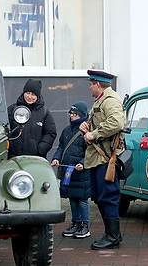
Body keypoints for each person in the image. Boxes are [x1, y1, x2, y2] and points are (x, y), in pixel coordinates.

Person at [79, 70, 125, 250]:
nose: (89, 87)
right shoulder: (101, 100)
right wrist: (87, 126)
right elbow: (103, 121)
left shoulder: (110, 100)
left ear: (97, 84)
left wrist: (94, 134)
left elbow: (117, 123)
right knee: (100, 196)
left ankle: (112, 236)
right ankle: (112, 234)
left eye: (91, 84)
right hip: (98, 157)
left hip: (105, 158)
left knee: (108, 197)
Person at [51, 101, 91, 239]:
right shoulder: (67, 130)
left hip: (81, 173)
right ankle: (75, 222)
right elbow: (61, 147)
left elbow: (91, 152)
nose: (72, 116)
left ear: (82, 115)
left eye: (75, 114)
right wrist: (56, 158)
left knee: (82, 199)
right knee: (72, 199)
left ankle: (85, 225)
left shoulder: (87, 130)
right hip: (68, 171)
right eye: (71, 113)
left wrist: (83, 163)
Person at [7, 78, 57, 158]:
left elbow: (50, 133)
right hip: (13, 157)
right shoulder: (12, 110)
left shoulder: (44, 113)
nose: (30, 97)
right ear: (23, 93)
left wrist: (41, 149)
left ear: (38, 96)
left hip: (36, 158)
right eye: (27, 93)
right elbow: (4, 129)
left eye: (33, 94)